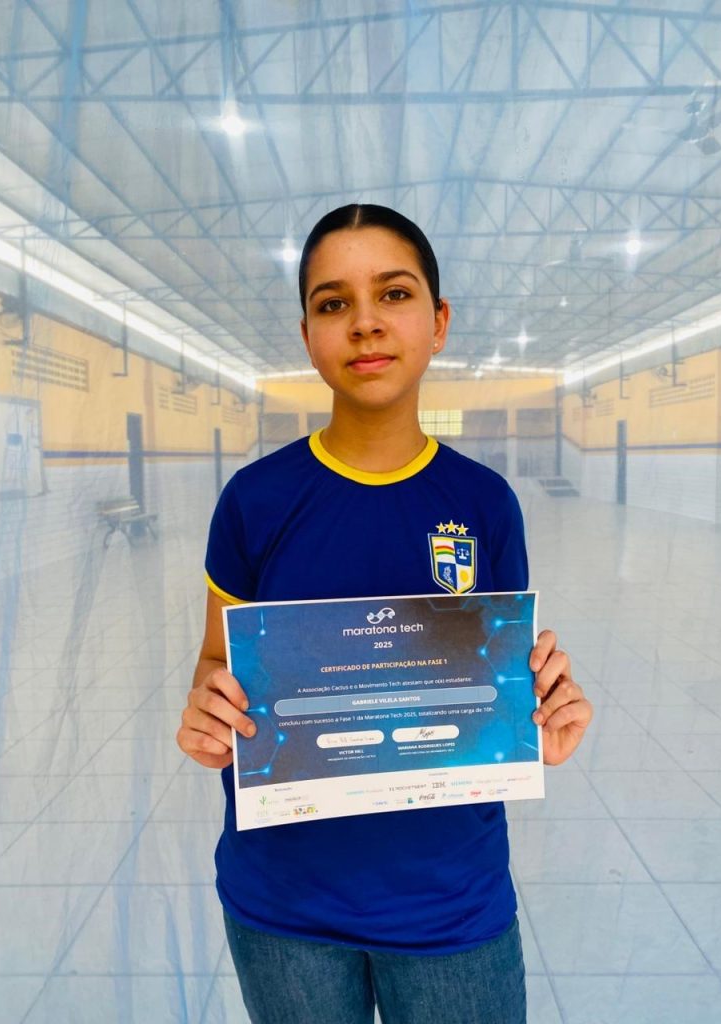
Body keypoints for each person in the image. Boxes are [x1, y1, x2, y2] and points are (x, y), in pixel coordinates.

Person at [177, 204, 593, 1024]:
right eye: (334, 303)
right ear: (308, 336)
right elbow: (215, 662)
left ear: (438, 322)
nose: (364, 322)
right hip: (283, 902)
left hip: (449, 902)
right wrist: (208, 716)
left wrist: (536, 715)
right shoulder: (256, 501)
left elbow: (497, 667)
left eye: (394, 294)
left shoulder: (484, 503)